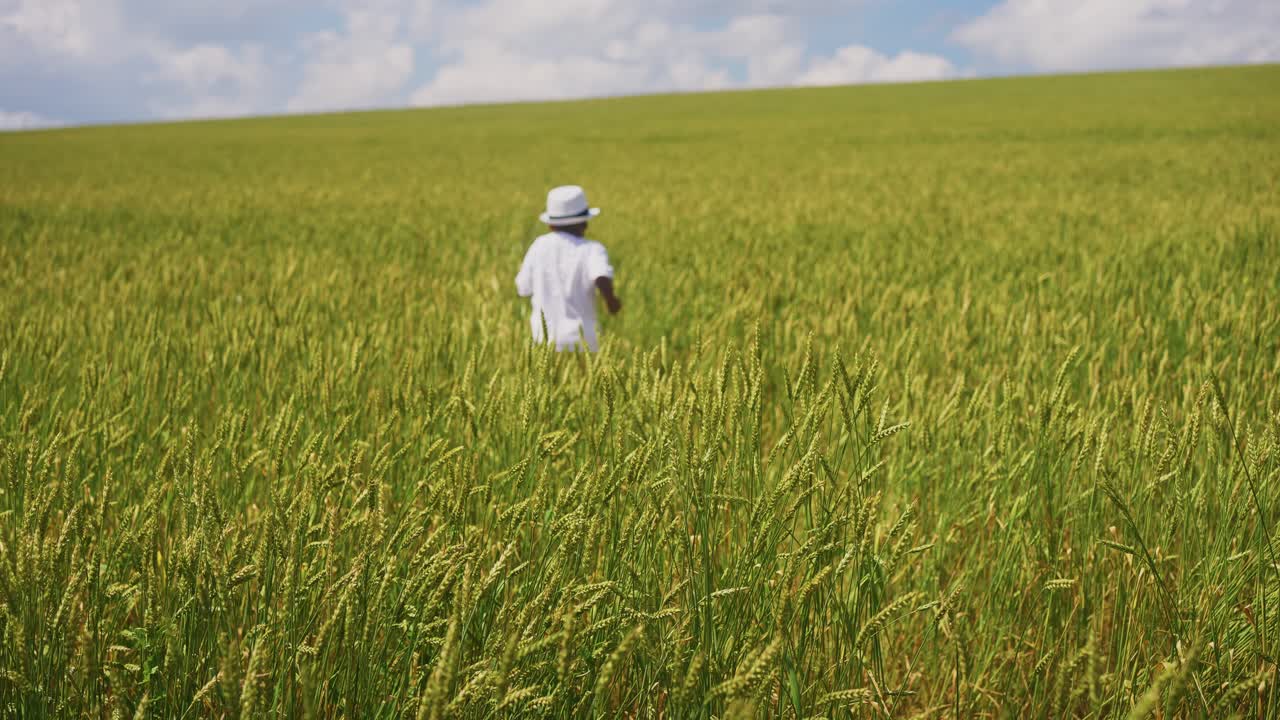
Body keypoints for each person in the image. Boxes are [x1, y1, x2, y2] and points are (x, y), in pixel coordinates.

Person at [515, 185, 621, 351]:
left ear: (550, 225)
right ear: (585, 223)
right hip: (583, 342)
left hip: (544, 341)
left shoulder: (539, 246)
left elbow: (523, 288)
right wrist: (611, 301)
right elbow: (601, 276)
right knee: (584, 377)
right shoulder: (592, 249)